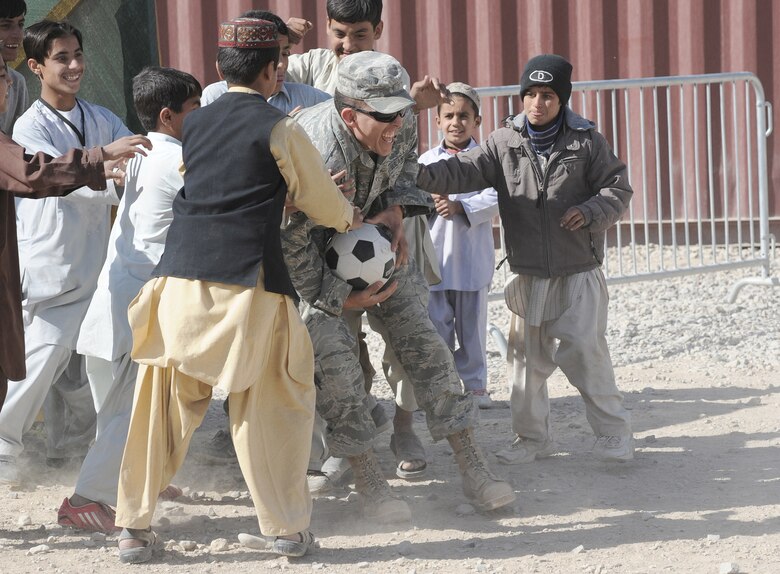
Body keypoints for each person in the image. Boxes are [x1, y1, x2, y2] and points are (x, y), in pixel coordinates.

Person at [113, 19, 361, 563]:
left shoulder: (193, 126)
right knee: (275, 404)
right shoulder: (280, 127)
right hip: (249, 287)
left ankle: (132, 528)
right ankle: (288, 530)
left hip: (176, 281)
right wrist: (348, 216)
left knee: (158, 409)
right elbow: (321, 201)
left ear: (222, 68)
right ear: (274, 70)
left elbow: (212, 186)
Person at [282, 51, 516, 524]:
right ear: (350, 115)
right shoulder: (310, 148)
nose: (398, 124)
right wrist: (338, 298)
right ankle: (368, 477)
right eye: (384, 116)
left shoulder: (398, 122)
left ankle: (474, 466)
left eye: (402, 112)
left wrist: (396, 213)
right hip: (315, 268)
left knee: (426, 346)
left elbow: (406, 171)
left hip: (380, 250)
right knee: (334, 362)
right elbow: (290, 241)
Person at [416, 54, 635, 465]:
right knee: (525, 364)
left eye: (548, 94)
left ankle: (613, 435)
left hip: (577, 272)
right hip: (528, 274)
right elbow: (461, 171)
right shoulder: (502, 142)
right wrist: (412, 172)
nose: (537, 103)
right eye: (530, 94)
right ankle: (533, 439)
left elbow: (617, 190)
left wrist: (589, 212)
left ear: (563, 98)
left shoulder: (587, 141)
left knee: (586, 354)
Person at [288, 0, 447, 487]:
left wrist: (395, 212)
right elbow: (250, 70)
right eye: (339, 33)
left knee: (407, 339)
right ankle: (343, 444)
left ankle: (404, 429)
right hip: (326, 243)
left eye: (359, 34)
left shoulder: (389, 78)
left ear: (378, 30)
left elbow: (405, 166)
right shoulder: (309, 66)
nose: (347, 45)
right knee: (333, 344)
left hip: (387, 233)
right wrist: (279, 33)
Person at [51, 67, 202, 534]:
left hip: (115, 302)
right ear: (167, 115)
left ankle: (142, 478)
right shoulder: (178, 160)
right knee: (131, 411)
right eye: (194, 110)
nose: (202, 118)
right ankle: (84, 500)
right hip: (138, 307)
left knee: (127, 408)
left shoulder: (142, 149)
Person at [0, 20, 137, 484]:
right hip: (52, 265)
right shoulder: (28, 126)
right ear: (36, 66)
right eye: (62, 58)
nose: (75, 65)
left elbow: (134, 159)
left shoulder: (99, 117)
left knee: (90, 367)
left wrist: (123, 172)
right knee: (39, 363)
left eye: (78, 54)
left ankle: (80, 455)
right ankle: (2, 447)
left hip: (95, 264)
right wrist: (111, 171)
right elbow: (63, 183)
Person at [196, 9, 332, 467]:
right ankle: (256, 454)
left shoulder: (314, 101)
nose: (282, 67)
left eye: (286, 54)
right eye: (275, 57)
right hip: (244, 255)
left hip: (297, 248)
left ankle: (308, 454)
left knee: (303, 354)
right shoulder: (216, 103)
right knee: (250, 358)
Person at [419, 82, 499, 409]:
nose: (456, 122)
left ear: (477, 121)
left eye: (464, 116)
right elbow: (412, 200)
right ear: (437, 121)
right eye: (449, 115)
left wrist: (459, 207)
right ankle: (442, 388)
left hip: (470, 261)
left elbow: (496, 198)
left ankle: (475, 386)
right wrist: (430, 203)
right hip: (435, 260)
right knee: (436, 328)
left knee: (472, 330)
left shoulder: (487, 161)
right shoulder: (425, 162)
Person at [200, 10, 330, 112]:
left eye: (285, 53)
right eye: (270, 55)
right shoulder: (215, 96)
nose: (281, 64)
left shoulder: (307, 98)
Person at [0, 1, 28, 134]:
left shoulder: (17, 82)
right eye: (5, 26)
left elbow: (16, 147)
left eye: (21, 25)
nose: (18, 35)